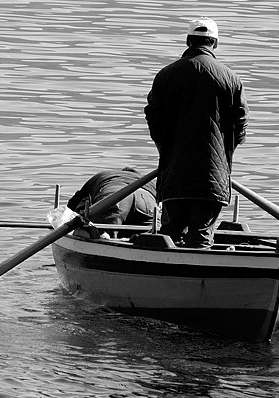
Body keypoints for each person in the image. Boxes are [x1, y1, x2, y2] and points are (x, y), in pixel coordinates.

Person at [143, 17, 249, 248]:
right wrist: (225, 150)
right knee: (200, 240)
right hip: (213, 175)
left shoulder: (166, 75)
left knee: (169, 234)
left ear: (188, 41)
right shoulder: (230, 78)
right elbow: (240, 125)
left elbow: (154, 117)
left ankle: (161, 274)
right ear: (215, 44)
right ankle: (201, 277)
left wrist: (164, 147)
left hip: (175, 173)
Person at [66, 167, 157, 229]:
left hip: (114, 197)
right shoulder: (147, 179)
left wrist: (67, 220)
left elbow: (75, 202)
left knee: (104, 236)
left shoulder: (104, 174)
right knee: (150, 238)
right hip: (147, 201)